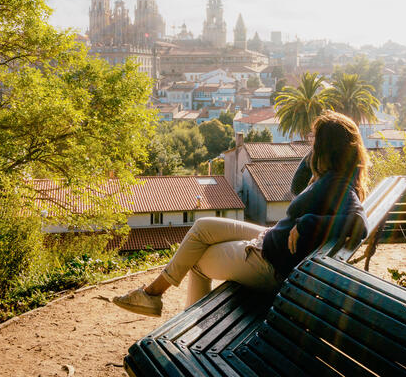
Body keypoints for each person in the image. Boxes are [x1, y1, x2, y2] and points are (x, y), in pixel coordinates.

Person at [112, 110, 369, 317]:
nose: (310, 142)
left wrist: (308, 223)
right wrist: (316, 152)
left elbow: (359, 223)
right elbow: (296, 186)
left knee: (196, 261)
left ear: (327, 148)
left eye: (315, 140)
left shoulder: (336, 183)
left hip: (269, 263)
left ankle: (185, 329)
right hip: (272, 241)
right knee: (203, 227)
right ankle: (151, 295)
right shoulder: (331, 176)